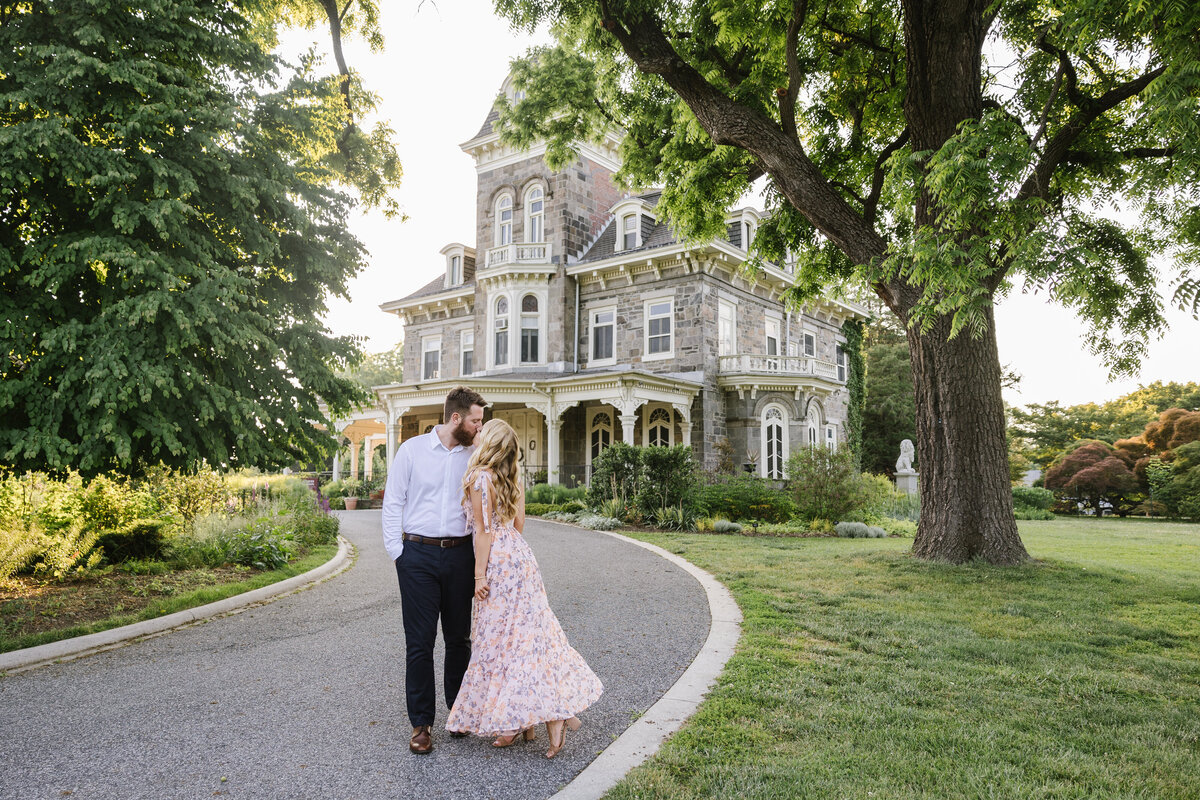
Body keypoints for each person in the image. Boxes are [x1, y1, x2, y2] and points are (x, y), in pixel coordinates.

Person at [446, 419, 603, 759]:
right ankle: (530, 718)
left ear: (488, 445)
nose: (477, 435)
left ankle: (532, 717)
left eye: (482, 434)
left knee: (498, 641)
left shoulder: (477, 478)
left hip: (498, 564)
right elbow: (518, 525)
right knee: (528, 638)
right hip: (522, 558)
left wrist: (479, 576)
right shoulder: (512, 477)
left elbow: (484, 533)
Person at [382, 386, 486, 755]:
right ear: (455, 418)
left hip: (460, 557)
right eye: (475, 420)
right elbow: (393, 501)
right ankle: (421, 724)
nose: (479, 427)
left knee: (459, 639)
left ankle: (458, 713)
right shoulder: (411, 451)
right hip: (417, 556)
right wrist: (399, 553)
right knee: (420, 642)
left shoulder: (476, 455)